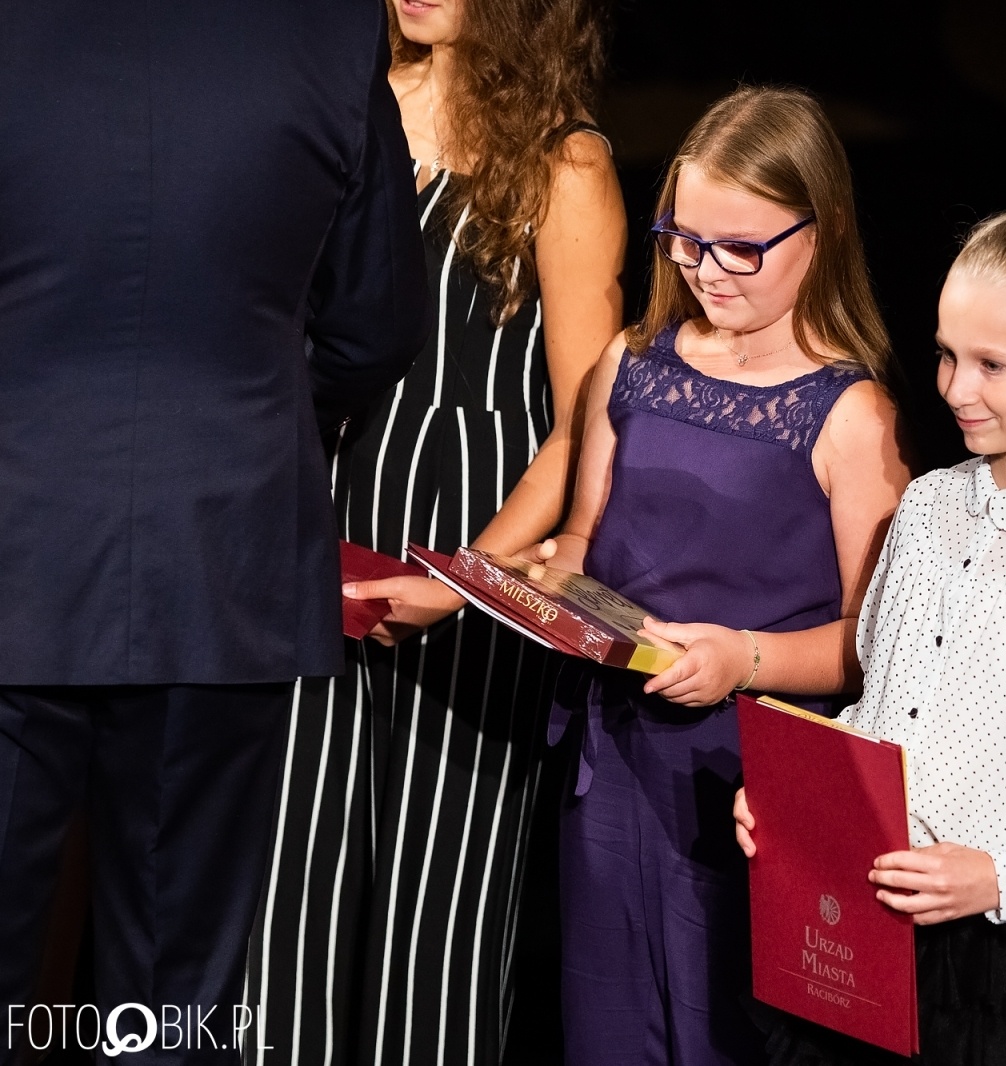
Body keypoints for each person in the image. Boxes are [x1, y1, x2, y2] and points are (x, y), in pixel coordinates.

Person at [0, 0, 427, 1057]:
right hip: (220, 550)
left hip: (17, 535)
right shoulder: (327, 31)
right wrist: (253, 411)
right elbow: (376, 327)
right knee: (171, 1004)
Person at [244, 0, 625, 1062]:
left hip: (473, 566)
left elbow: (588, 422)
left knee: (437, 927)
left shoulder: (567, 162)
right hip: (320, 546)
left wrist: (469, 579)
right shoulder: (350, 109)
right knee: (288, 899)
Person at [735, 191, 1006, 1066]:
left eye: (991, 365)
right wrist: (797, 811)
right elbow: (882, 712)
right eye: (946, 356)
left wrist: (996, 877)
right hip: (870, 932)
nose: (955, 389)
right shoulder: (932, 507)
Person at [530, 86, 911, 1065]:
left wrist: (740, 657)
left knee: (720, 1029)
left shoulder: (847, 415)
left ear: (818, 234)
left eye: (741, 247)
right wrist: (538, 591)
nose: (706, 271)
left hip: (746, 779)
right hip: (613, 758)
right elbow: (580, 541)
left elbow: (876, 648)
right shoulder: (634, 362)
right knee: (607, 1025)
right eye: (684, 240)